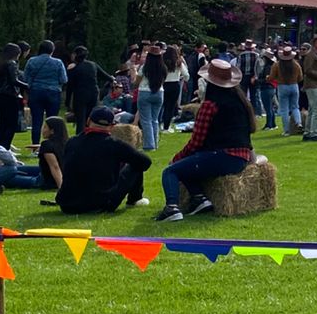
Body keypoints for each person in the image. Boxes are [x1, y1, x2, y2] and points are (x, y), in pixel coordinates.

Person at [156, 60, 255, 223]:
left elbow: (196, 141)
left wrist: (176, 157)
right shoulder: (242, 103)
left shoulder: (210, 105)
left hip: (222, 155)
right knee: (188, 165)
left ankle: (172, 208)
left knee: (171, 171)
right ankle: (199, 199)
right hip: (240, 157)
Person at [53, 105, 153, 214]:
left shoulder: (72, 142)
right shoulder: (114, 144)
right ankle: (135, 199)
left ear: (88, 120)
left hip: (67, 205)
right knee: (136, 164)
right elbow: (145, 162)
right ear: (112, 126)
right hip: (101, 204)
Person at [23, 40, 68, 144]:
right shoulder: (58, 62)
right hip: (53, 92)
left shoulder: (32, 61)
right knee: (52, 121)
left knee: (36, 120)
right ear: (52, 50)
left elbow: (26, 79)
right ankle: (52, 144)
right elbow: (64, 79)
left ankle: (35, 145)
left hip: (36, 92)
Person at [0, 43, 27, 150]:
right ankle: (6, 145)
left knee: (2, 123)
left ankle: (0, 145)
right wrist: (28, 86)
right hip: (10, 96)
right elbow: (14, 81)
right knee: (11, 123)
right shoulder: (11, 63)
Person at [64, 45, 108, 134]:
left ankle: (80, 139)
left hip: (80, 96)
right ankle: (90, 137)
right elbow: (106, 76)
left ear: (75, 55)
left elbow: (70, 87)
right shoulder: (93, 65)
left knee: (81, 121)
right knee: (90, 119)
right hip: (93, 95)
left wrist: (67, 102)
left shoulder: (74, 69)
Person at [160, 44, 187, 131]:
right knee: (170, 107)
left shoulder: (162, 62)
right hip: (175, 84)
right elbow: (186, 75)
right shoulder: (178, 63)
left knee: (161, 106)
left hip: (163, 85)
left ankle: (159, 123)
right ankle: (166, 127)